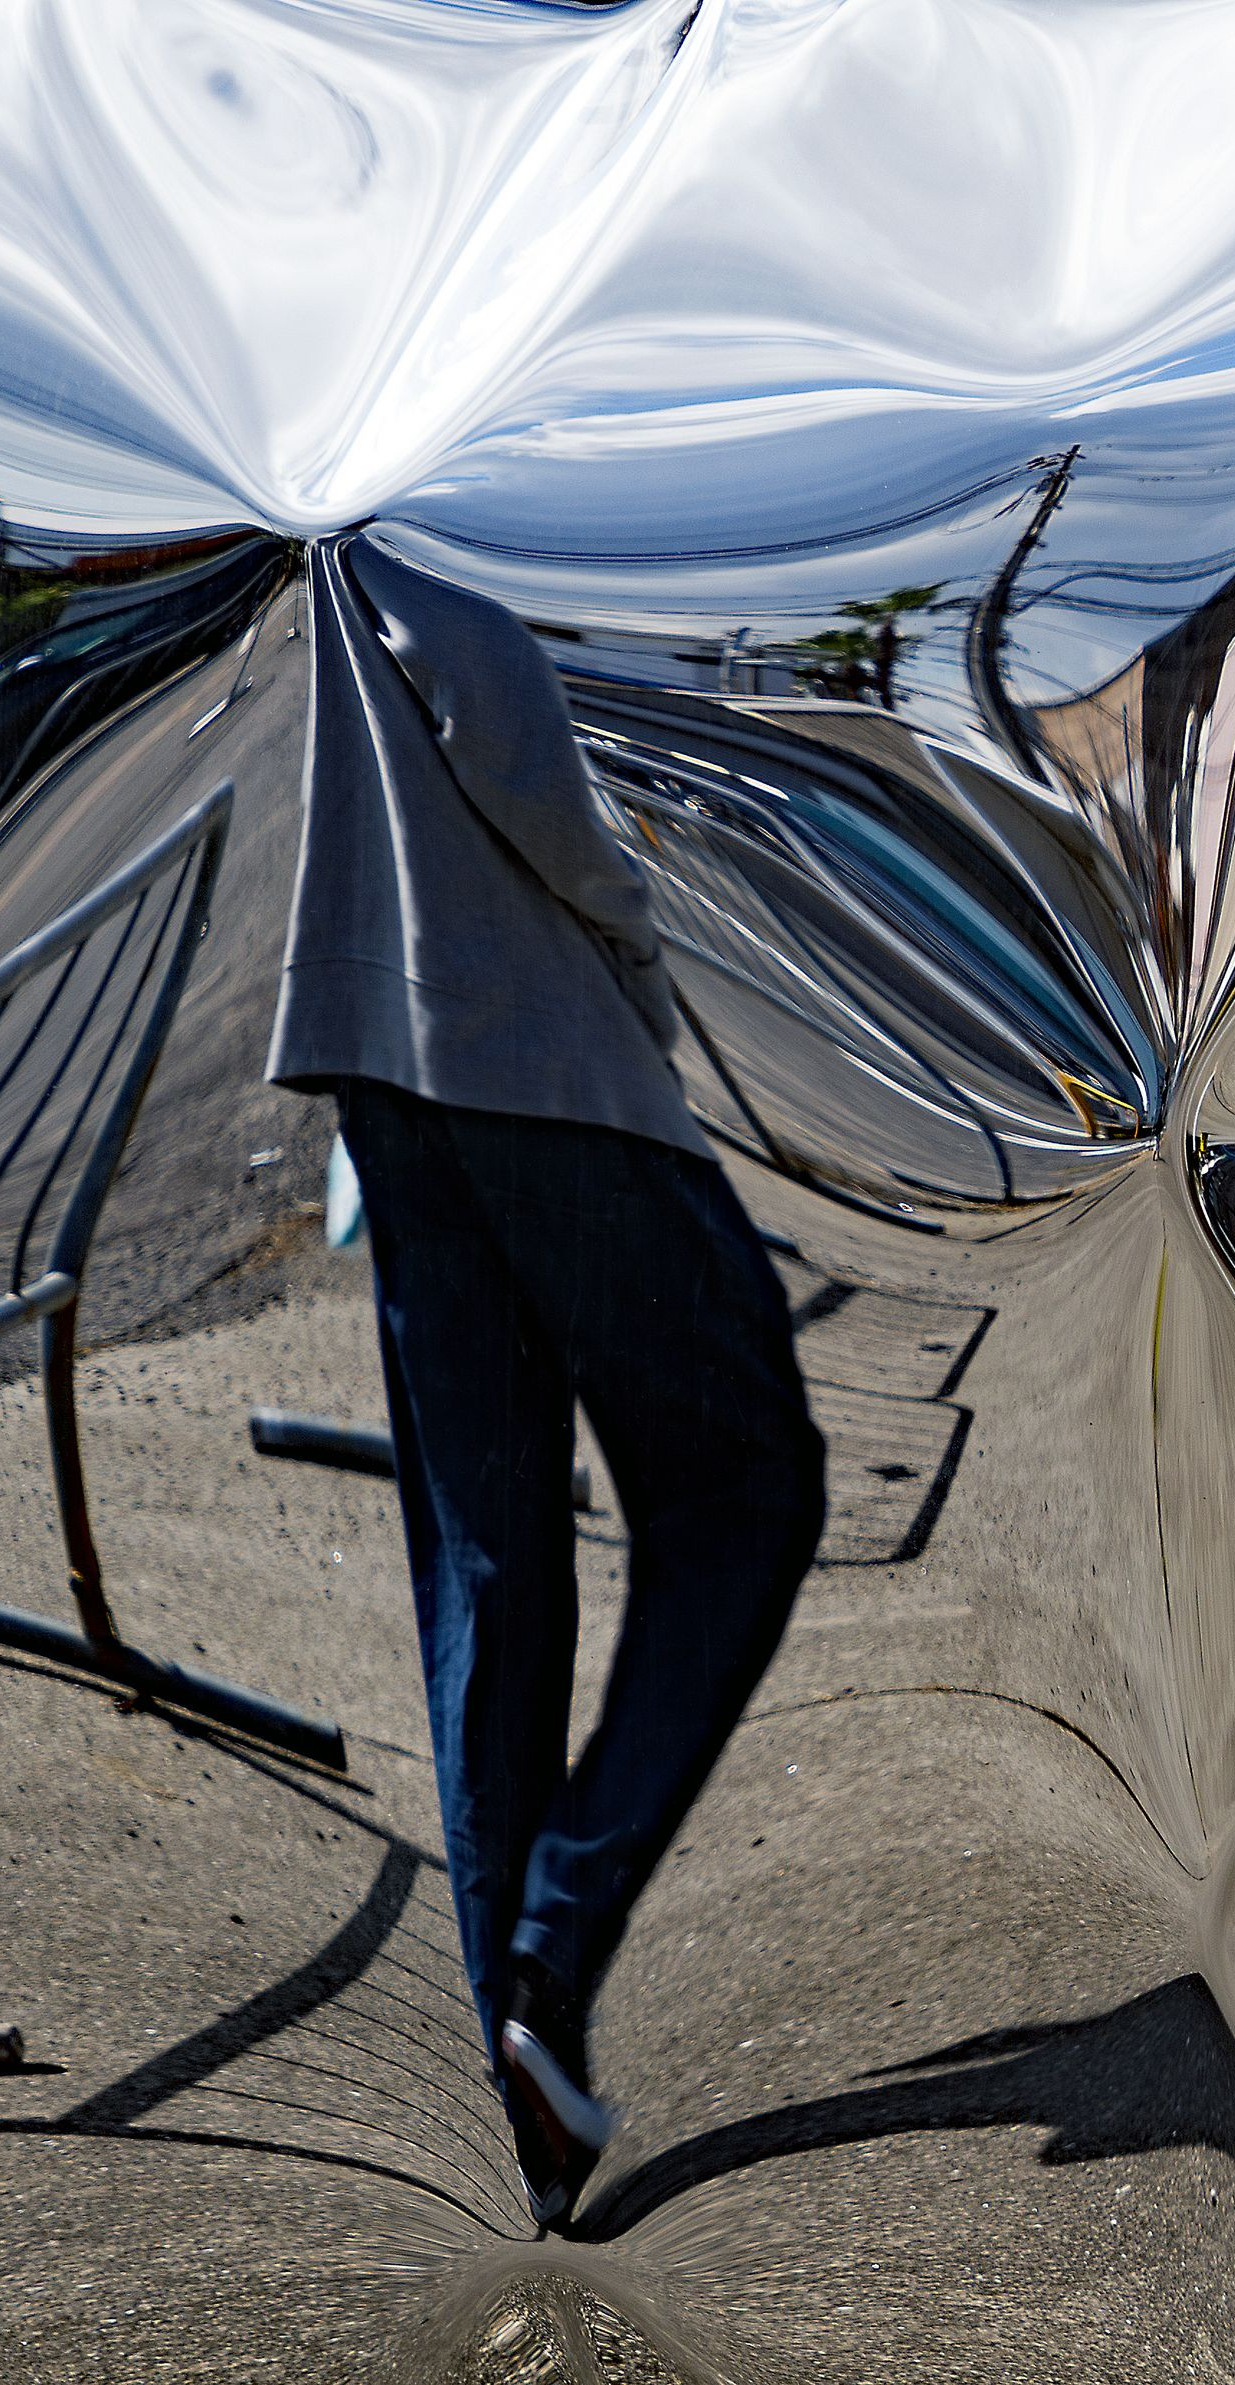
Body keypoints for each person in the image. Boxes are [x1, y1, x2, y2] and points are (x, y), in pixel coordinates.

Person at [268, 530, 826, 2228]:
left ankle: (518, 2082)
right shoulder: (412, 451)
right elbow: (491, 693)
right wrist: (636, 949)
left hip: (379, 1046)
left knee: (492, 1557)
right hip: (534, 1029)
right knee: (746, 1489)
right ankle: (550, 1956)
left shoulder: (301, 489)